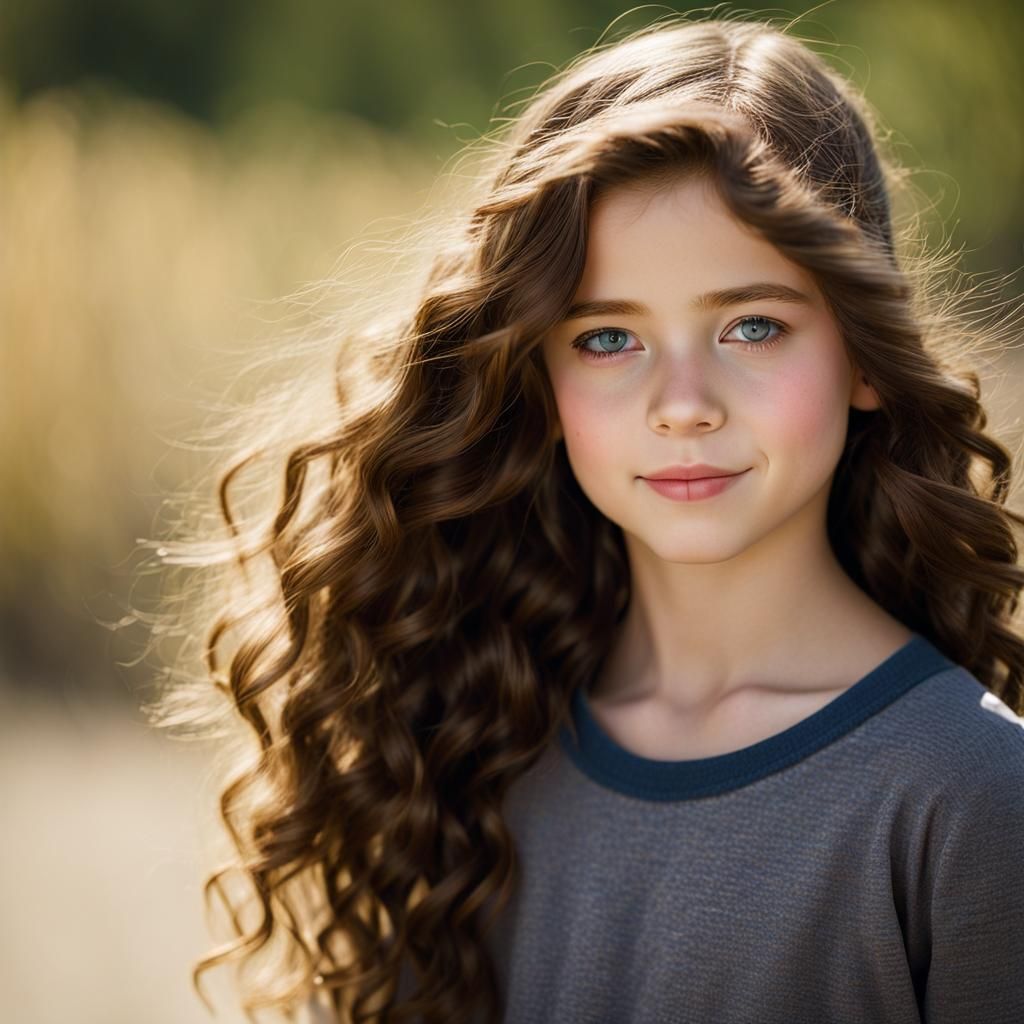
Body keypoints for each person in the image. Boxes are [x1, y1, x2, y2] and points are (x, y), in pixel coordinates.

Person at [144, 12, 1024, 1024]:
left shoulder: (969, 799)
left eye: (752, 325)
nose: (682, 401)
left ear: (866, 354)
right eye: (608, 336)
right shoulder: (465, 744)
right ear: (536, 375)